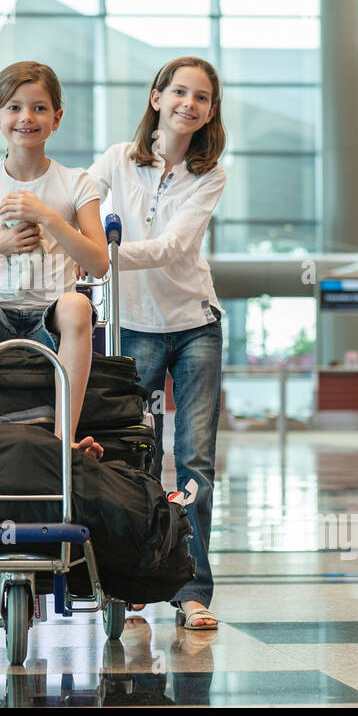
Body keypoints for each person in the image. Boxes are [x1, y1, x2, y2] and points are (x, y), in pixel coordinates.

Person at [89, 55, 228, 631]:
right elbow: (81, 209)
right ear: (156, 97)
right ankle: (138, 577)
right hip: (132, 325)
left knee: (194, 459)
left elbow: (174, 247)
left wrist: (101, 254)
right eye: (178, 92)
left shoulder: (210, 173)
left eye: (200, 97)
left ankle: (191, 589)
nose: (187, 104)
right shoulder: (115, 161)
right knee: (131, 455)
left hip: (194, 322)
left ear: (210, 112)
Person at [0, 60, 109, 461]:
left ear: (56, 118)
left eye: (38, 108)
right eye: (14, 108)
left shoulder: (76, 183)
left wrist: (48, 215)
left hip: (51, 320)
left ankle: (64, 435)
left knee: (78, 303)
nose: (26, 118)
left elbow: (99, 264)